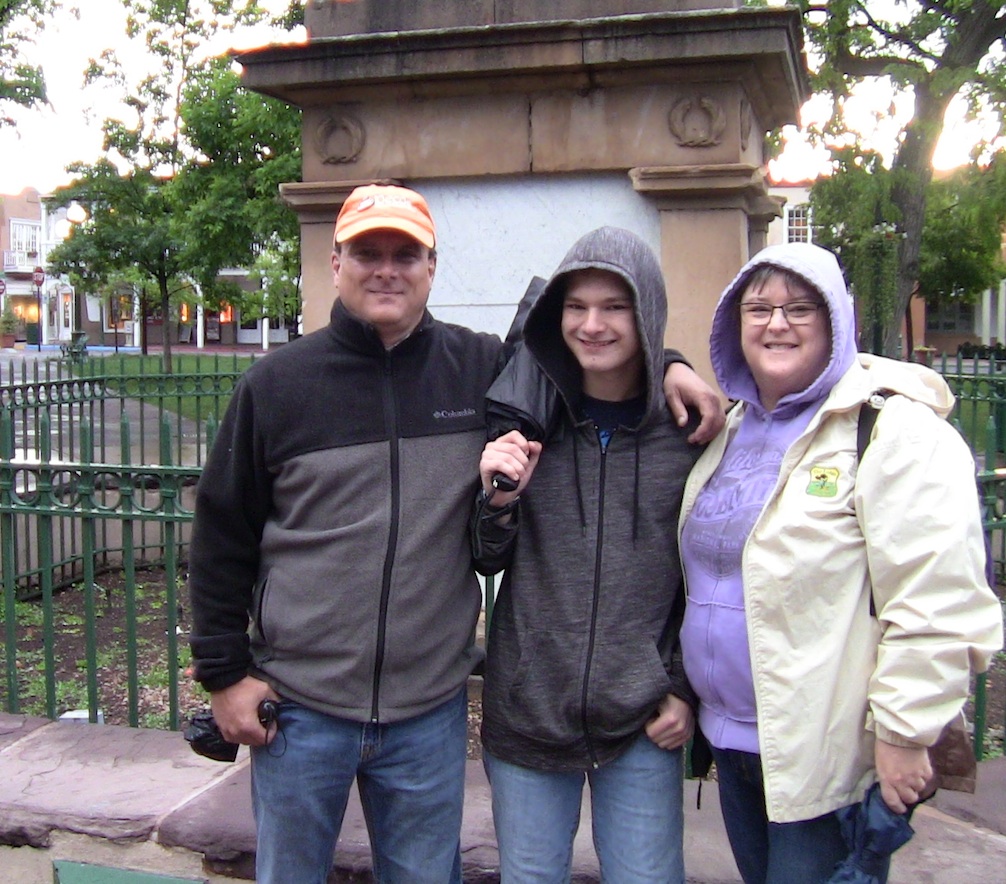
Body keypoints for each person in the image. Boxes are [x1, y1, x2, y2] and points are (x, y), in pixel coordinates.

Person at [187, 184, 723, 884]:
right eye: (368, 254)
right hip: (301, 706)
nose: (387, 270)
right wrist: (225, 675)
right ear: (335, 263)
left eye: (405, 255)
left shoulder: (478, 369)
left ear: (431, 268)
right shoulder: (276, 384)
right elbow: (222, 535)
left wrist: (670, 361)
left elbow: (586, 348)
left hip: (427, 714)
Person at [677, 241, 1004, 884]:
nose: (776, 324)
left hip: (826, 757)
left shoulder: (891, 430)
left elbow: (936, 597)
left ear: (836, 320)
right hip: (734, 744)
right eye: (758, 308)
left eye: (800, 308)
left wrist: (905, 732)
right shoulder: (734, 430)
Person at [472, 226, 701, 883]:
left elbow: (708, 579)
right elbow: (485, 559)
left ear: (646, 313)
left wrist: (683, 687)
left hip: (642, 718)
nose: (592, 325)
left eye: (614, 307)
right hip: (529, 713)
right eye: (576, 307)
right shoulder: (526, 420)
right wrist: (497, 501)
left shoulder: (687, 435)